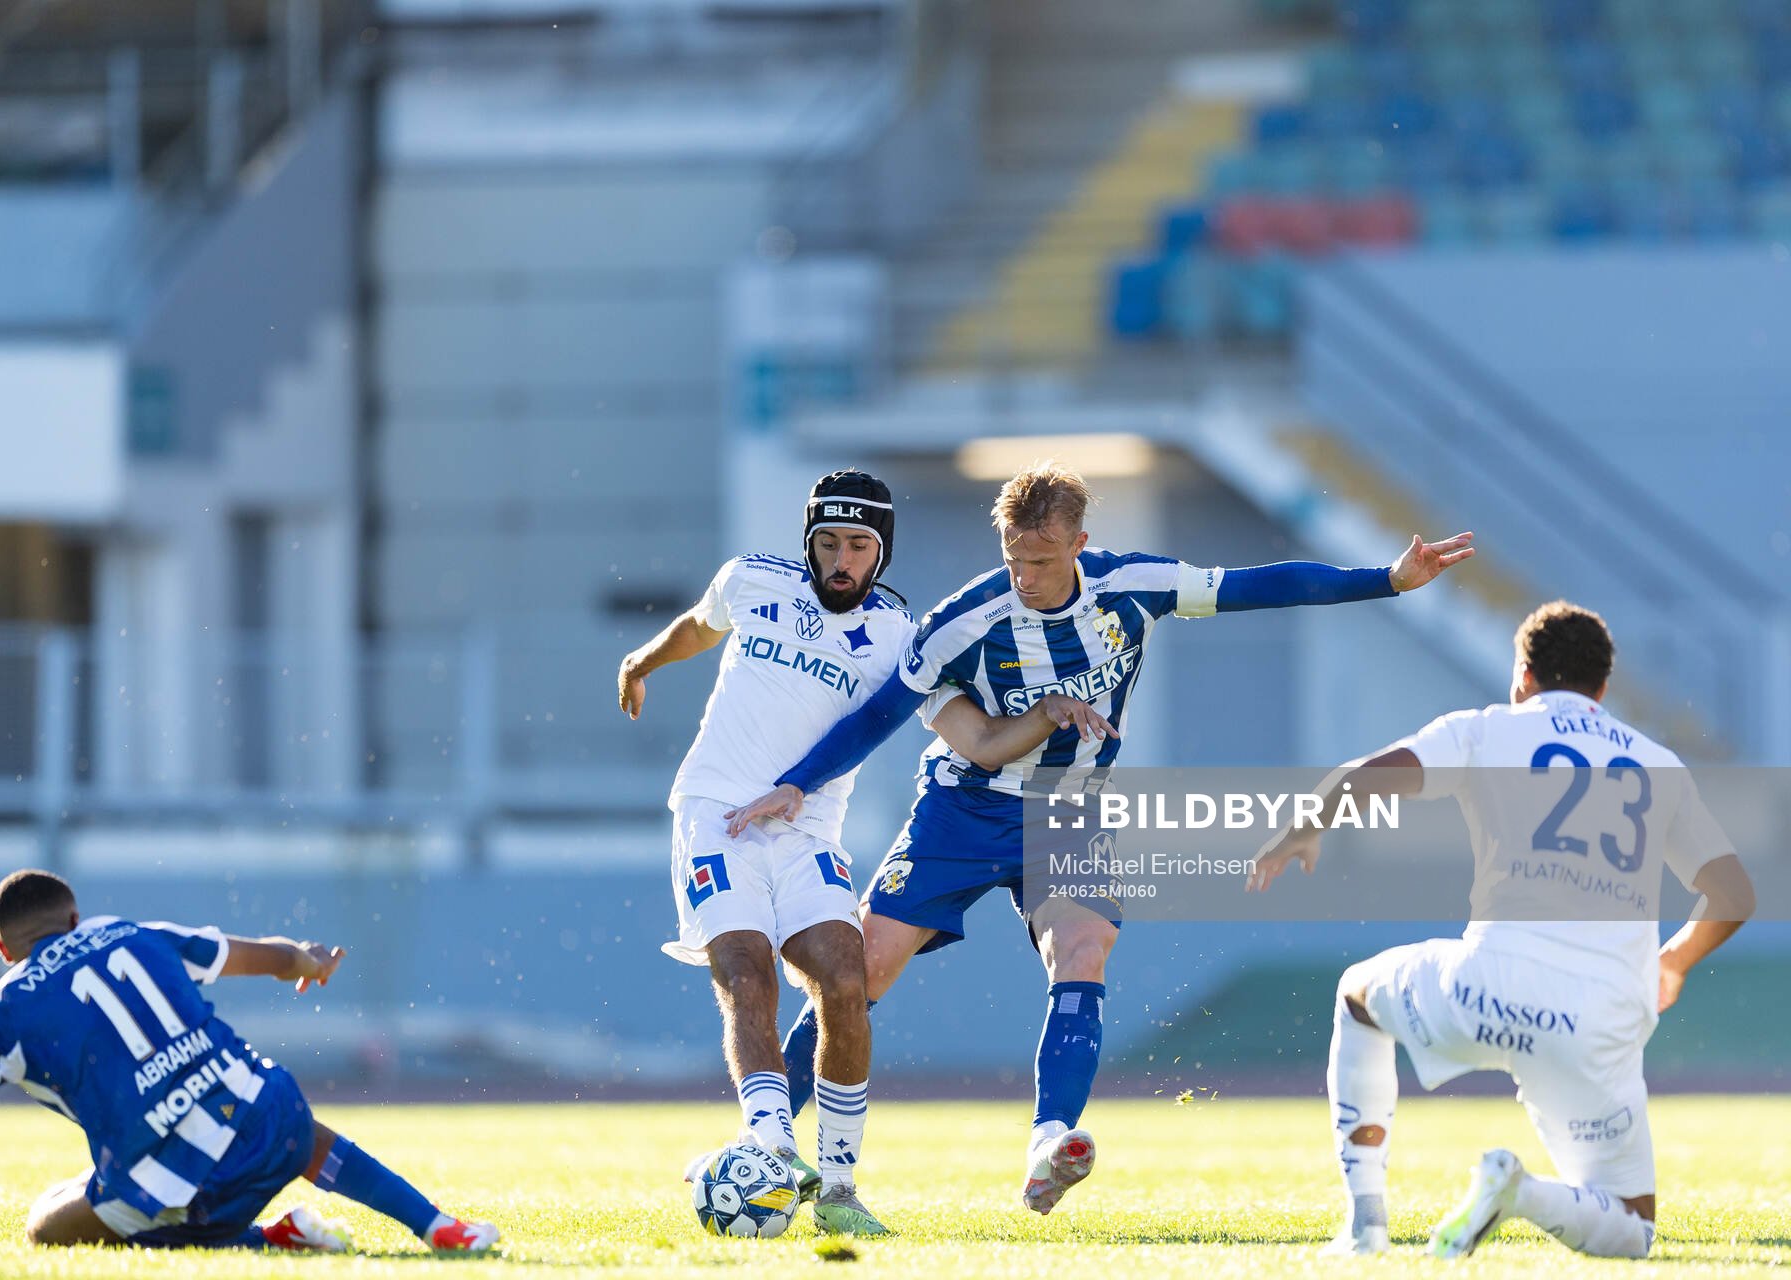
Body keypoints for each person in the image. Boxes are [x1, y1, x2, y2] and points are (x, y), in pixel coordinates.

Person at [727, 462, 1475, 1213]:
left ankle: (1051, 1141)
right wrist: (799, 780)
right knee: (860, 974)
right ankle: (766, 1144)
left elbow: (1256, 586)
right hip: (962, 808)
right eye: (1013, 558)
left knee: (1084, 950)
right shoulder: (964, 620)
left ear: (1081, 544)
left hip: (1068, 811)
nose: (1024, 575)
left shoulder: (1135, 587)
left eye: (1042, 561)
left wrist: (1388, 578)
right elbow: (880, 713)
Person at [618, 469, 1112, 1235]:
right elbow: (698, 624)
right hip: (717, 817)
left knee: (846, 979)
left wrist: (1046, 718)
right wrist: (643, 661)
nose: (840, 560)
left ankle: (840, 1192)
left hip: (811, 833)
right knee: (747, 970)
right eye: (827, 543)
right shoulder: (750, 579)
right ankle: (771, 1147)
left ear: (881, 554)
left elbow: (976, 739)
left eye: (858, 545)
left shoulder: (903, 641)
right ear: (808, 544)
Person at [1248, 600, 1755, 1258]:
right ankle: (1520, 1193)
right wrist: (1677, 961)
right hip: (1602, 1016)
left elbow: (1364, 776)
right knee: (1632, 1229)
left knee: (1357, 996)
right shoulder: (1658, 764)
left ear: (1523, 675)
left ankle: (1365, 1223)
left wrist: (1302, 831)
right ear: (1603, 689)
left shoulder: (1486, 731)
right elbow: (1734, 894)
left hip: (1488, 988)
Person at [0, 868, 499, 1254]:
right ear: (76, 917)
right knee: (258, 1094)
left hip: (180, 1187)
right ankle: (436, 1224)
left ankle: (264, 1241)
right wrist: (311, 962)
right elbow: (267, 956)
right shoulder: (131, 932)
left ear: (3, 951)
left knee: (46, 1221)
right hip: (274, 1127)